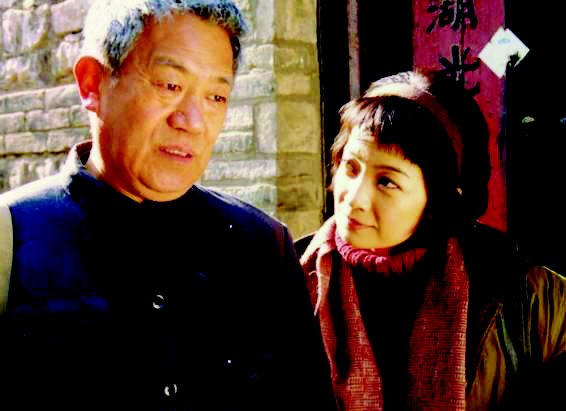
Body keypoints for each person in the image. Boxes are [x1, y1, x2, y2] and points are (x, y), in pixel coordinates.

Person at [0, 1, 336, 410]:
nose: (192, 121)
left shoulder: (263, 246)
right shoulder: (13, 238)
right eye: (169, 85)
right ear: (93, 83)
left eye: (216, 96)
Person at [295, 70, 566, 410]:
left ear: (441, 199)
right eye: (351, 168)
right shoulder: (288, 279)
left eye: (387, 182)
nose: (354, 197)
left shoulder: (530, 299)